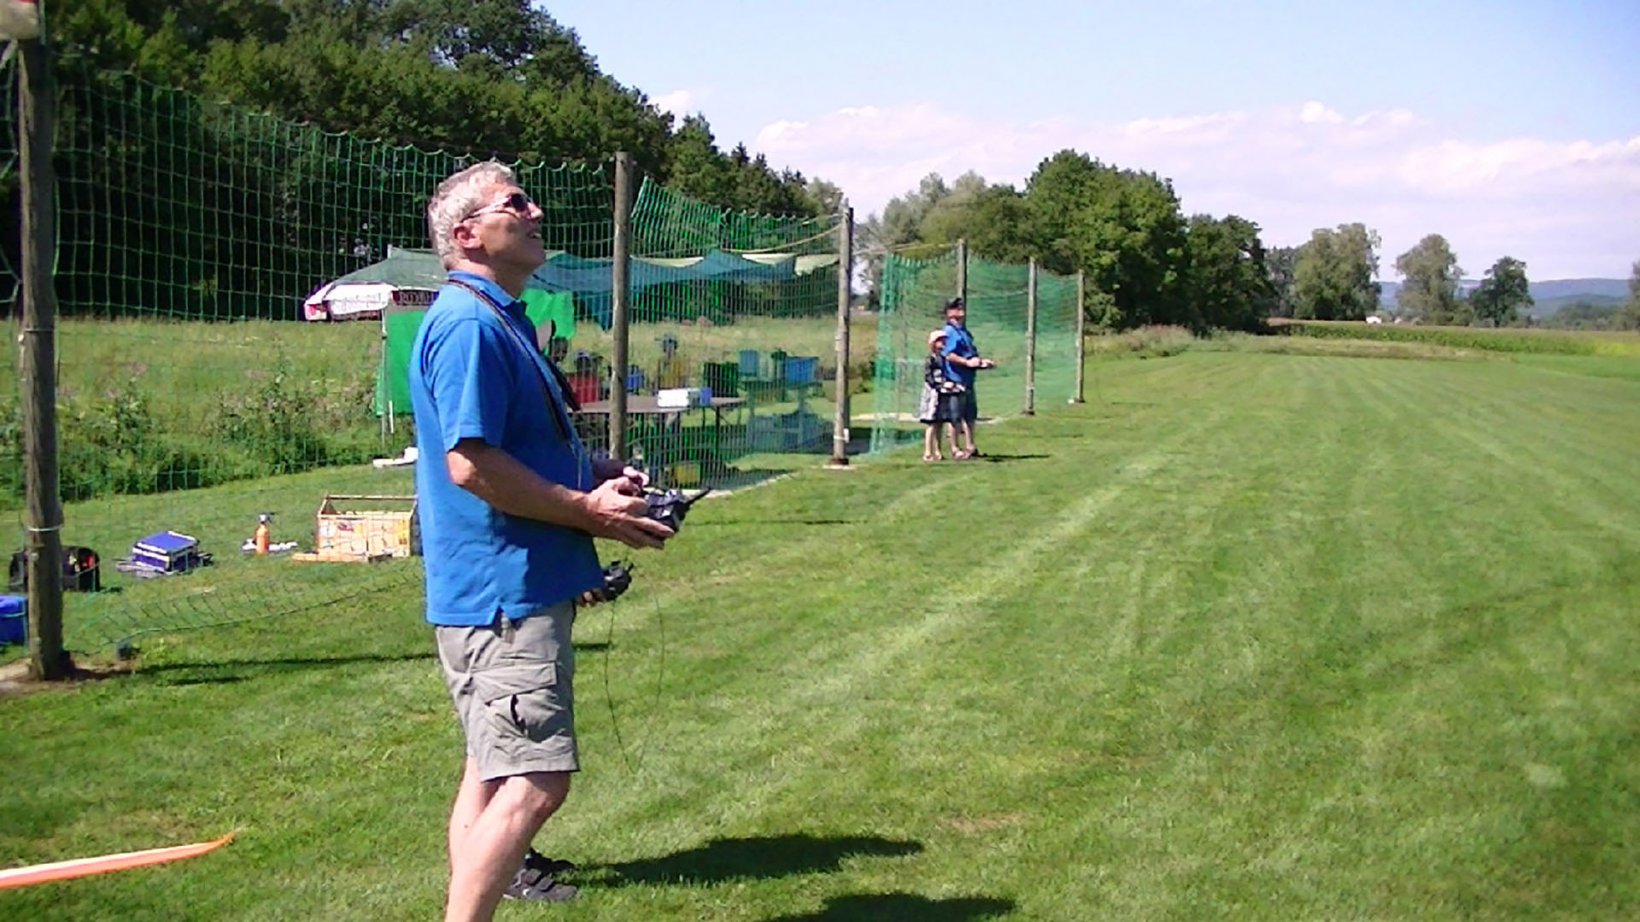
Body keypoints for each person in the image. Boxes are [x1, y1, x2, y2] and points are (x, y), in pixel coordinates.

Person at [410, 161, 675, 921]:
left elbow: (512, 446)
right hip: (502, 594)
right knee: (536, 782)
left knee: (492, 771)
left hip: (506, 587)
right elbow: (471, 464)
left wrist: (595, 472)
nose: (536, 212)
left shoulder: (499, 318)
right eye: (515, 202)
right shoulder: (469, 326)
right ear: (468, 235)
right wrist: (589, 511)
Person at [940, 296, 995, 459]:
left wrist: (981, 362)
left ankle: (971, 447)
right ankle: (955, 448)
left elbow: (970, 354)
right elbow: (949, 355)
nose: (961, 312)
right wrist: (966, 363)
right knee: (955, 416)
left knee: (970, 415)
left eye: (961, 309)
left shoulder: (964, 332)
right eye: (956, 309)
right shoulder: (949, 332)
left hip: (968, 379)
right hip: (955, 380)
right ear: (948, 313)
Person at [917, 329, 963, 461]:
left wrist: (953, 385)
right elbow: (929, 378)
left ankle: (938, 451)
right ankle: (927, 452)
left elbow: (946, 375)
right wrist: (940, 385)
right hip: (932, 394)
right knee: (931, 423)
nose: (943, 343)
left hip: (942, 393)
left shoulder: (942, 358)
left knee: (940, 423)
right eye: (940, 341)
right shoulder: (930, 359)